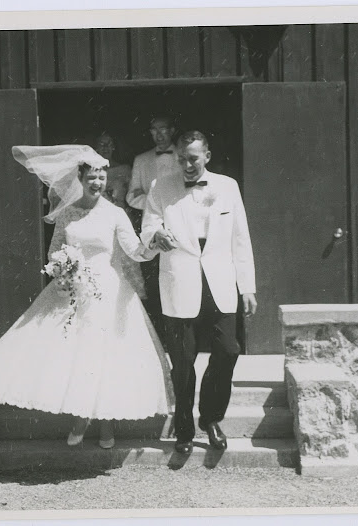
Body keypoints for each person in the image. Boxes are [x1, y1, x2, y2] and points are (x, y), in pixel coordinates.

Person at [0, 145, 172, 450]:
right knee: (76, 358)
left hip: (107, 292)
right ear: (80, 179)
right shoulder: (67, 214)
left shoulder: (115, 214)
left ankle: (106, 423)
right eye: (91, 178)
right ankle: (80, 417)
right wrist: (64, 267)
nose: (97, 183)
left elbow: (134, 251)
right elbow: (54, 251)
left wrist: (153, 245)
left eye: (101, 177)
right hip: (72, 291)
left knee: (105, 356)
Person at [141, 131, 258, 455]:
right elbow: (148, 226)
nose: (187, 165)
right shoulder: (161, 186)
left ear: (207, 155)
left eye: (193, 158)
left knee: (228, 350)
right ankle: (183, 429)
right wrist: (156, 236)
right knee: (182, 362)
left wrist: (247, 287)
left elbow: (240, 239)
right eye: (181, 159)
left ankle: (211, 418)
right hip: (180, 282)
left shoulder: (228, 186)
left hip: (220, 284)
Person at [126, 115, 183, 341]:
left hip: (181, 228)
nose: (159, 135)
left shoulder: (184, 156)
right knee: (155, 282)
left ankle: (180, 335)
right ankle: (160, 336)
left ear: (172, 130)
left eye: (163, 129)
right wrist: (155, 202)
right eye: (154, 130)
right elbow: (132, 195)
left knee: (180, 279)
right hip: (152, 229)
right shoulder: (142, 160)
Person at [95, 131, 146, 300]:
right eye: (102, 144)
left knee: (126, 260)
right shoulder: (91, 172)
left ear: (114, 147)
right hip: (98, 220)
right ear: (96, 147)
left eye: (109, 144)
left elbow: (134, 194)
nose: (106, 147)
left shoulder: (124, 170)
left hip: (120, 219)